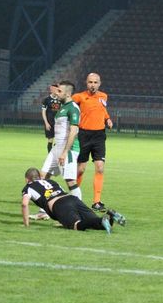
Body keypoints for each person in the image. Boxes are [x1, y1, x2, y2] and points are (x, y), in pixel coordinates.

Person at [21, 167, 125, 233]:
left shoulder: (28, 187)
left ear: (27, 179)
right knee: (97, 224)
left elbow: (24, 204)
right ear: (39, 177)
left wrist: (26, 224)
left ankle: (104, 218)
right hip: (72, 198)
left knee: (76, 225)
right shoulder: (51, 182)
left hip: (59, 205)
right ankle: (110, 215)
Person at [72, 72, 113, 211]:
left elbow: (102, 109)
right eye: (90, 82)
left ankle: (97, 202)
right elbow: (69, 108)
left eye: (95, 82)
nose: (93, 85)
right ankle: (74, 198)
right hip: (83, 135)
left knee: (100, 167)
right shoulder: (78, 97)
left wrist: (107, 119)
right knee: (81, 170)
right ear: (86, 83)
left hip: (99, 135)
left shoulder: (103, 96)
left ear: (99, 83)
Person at [40, 80, 82, 199]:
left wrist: (65, 152)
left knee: (70, 181)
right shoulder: (63, 107)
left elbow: (73, 132)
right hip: (57, 148)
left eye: (59, 91)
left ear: (67, 93)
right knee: (43, 176)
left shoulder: (73, 108)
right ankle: (45, 207)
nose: (56, 93)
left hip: (68, 150)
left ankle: (79, 208)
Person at [41, 84, 62, 153]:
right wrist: (46, 123)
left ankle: (56, 154)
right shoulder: (46, 100)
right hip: (50, 123)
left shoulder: (60, 99)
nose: (56, 90)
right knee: (50, 140)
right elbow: (43, 112)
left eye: (57, 89)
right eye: (54, 89)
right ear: (51, 90)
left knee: (58, 140)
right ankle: (50, 155)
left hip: (58, 124)